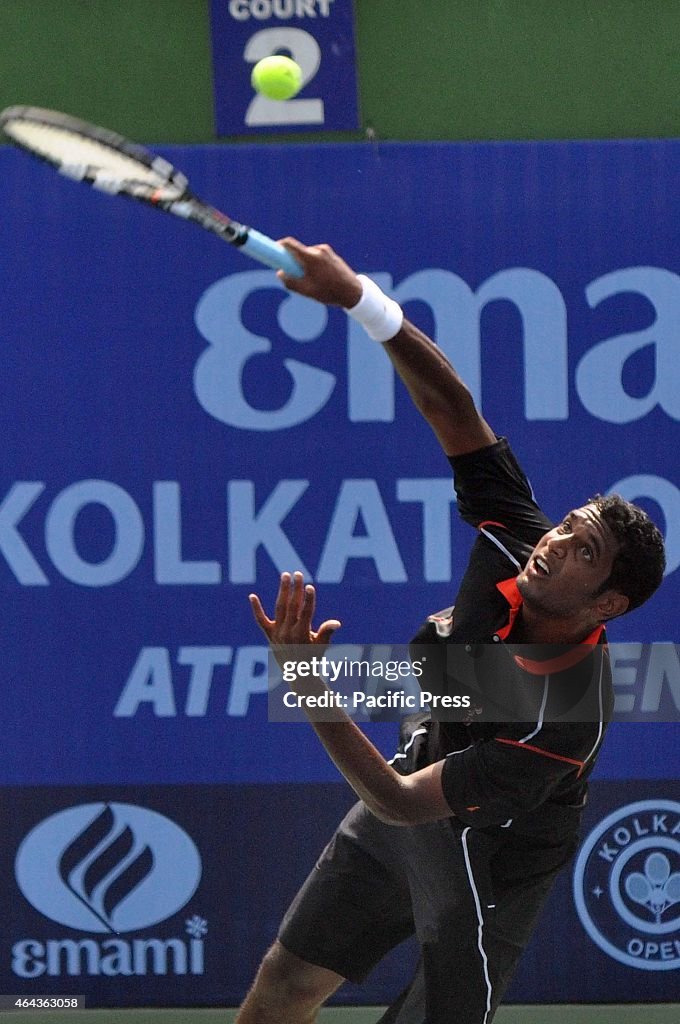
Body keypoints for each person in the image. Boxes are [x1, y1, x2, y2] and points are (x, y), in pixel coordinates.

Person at [237, 239, 666, 1024]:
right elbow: (452, 407)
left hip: (493, 860)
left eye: (585, 552)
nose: (555, 544)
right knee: (284, 986)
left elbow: (402, 804)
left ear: (607, 605)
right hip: (423, 772)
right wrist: (359, 298)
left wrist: (303, 679)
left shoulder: (564, 712)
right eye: (565, 525)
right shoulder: (514, 537)